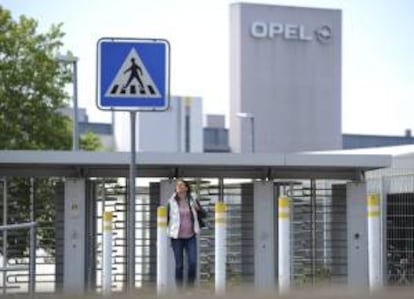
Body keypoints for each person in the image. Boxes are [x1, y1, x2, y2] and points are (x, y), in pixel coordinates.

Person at [166, 179, 205, 289]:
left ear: (186, 188)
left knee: (192, 263)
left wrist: (198, 209)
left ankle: (189, 288)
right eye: (177, 185)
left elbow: (204, 214)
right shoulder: (171, 201)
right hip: (177, 238)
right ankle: (179, 292)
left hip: (190, 237)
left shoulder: (193, 199)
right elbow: (165, 219)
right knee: (179, 265)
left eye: (181, 185)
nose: (179, 187)